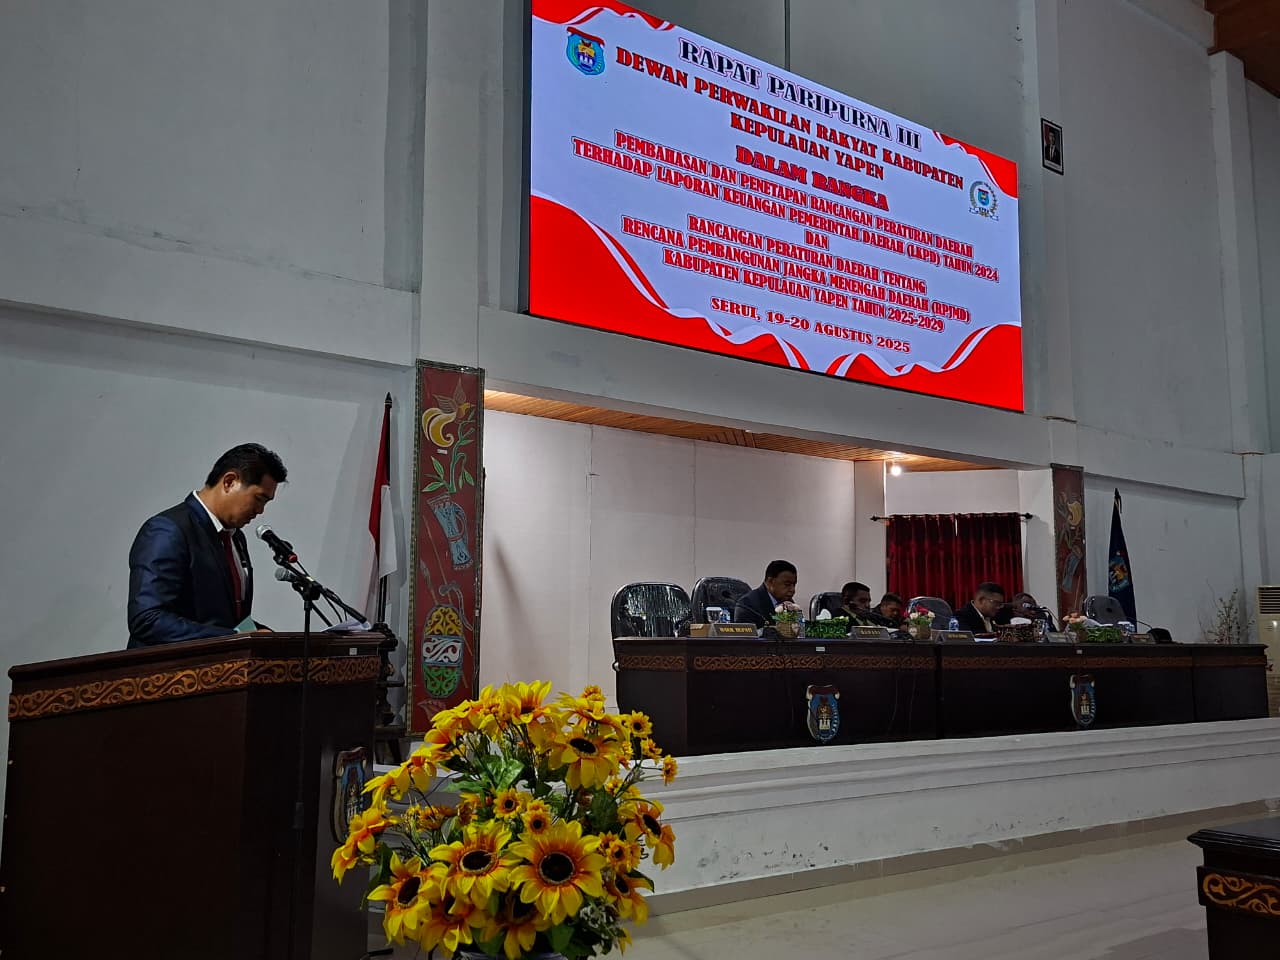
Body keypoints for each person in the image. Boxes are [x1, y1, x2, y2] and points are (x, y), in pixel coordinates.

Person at [127, 443, 287, 647]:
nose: (260, 511)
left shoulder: (236, 538)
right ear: (229, 481)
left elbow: (227, 621)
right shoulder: (168, 530)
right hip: (170, 666)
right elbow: (147, 619)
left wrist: (261, 634)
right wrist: (234, 638)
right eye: (259, 499)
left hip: (222, 665)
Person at [734, 560, 798, 628]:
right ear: (770, 581)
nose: (792, 590)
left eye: (794, 584)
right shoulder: (747, 605)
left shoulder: (788, 603)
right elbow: (746, 633)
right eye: (787, 584)